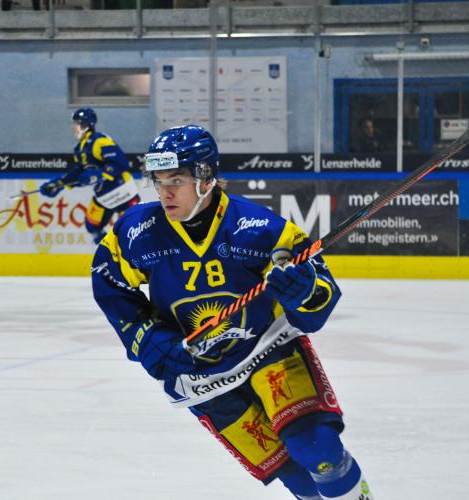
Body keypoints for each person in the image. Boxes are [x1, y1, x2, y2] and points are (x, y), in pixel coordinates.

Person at [91, 124, 374, 500]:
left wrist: (303, 292)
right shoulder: (136, 231)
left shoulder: (259, 229)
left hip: (268, 350)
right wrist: (147, 338)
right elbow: (108, 280)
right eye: (158, 181)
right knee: (296, 478)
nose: (164, 192)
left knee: (317, 451)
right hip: (198, 375)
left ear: (206, 178)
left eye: (176, 180)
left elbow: (319, 302)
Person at [39, 107, 140, 244]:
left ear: (85, 125)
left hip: (122, 191)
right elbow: (80, 173)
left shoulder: (99, 140)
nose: (73, 127)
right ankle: (111, 252)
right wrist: (60, 183)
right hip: (104, 196)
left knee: (133, 230)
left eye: (76, 123)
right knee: (92, 226)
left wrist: (100, 174)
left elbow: (120, 163)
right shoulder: (80, 148)